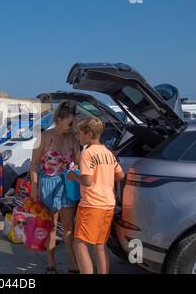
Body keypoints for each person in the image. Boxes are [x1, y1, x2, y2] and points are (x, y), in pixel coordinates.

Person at [66, 117, 125, 274]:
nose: (77, 137)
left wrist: (73, 176)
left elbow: (86, 181)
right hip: (108, 204)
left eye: (79, 134)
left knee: (79, 243)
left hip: (92, 204)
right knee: (100, 246)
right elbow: (120, 175)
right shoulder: (108, 153)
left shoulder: (87, 153)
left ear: (89, 134)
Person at [30, 101, 80, 274]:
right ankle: (51, 263)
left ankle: (73, 263)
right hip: (48, 186)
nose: (72, 127)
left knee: (68, 228)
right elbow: (34, 165)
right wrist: (34, 187)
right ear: (59, 119)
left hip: (67, 186)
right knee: (50, 226)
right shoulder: (43, 137)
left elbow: (79, 162)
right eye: (70, 123)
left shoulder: (73, 138)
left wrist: (75, 167)